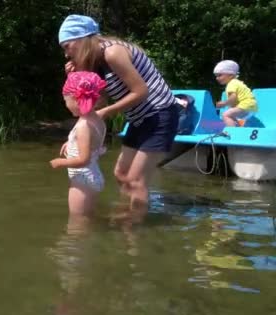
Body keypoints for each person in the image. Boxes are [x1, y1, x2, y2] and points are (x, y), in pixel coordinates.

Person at [57, 14, 180, 212]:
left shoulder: (113, 52)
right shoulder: (96, 62)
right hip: (139, 118)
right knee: (122, 174)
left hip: (160, 114)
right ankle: (129, 215)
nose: (66, 54)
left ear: (82, 39)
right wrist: (76, 74)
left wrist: (107, 112)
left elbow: (141, 91)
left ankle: (132, 233)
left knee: (136, 180)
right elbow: (99, 100)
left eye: (67, 46)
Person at [50, 71, 107, 216]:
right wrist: (69, 143)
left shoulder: (83, 127)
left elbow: (84, 159)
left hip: (82, 180)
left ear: (76, 100)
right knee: (88, 216)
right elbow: (93, 144)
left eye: (66, 101)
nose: (66, 105)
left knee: (77, 223)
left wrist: (60, 162)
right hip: (93, 176)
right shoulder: (96, 119)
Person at [213, 60, 258, 127]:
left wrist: (224, 103)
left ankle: (232, 132)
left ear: (231, 75)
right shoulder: (236, 82)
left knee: (226, 115)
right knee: (231, 116)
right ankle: (237, 129)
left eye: (219, 75)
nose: (217, 78)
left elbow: (233, 98)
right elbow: (235, 101)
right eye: (216, 76)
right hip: (251, 106)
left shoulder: (232, 84)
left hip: (246, 105)